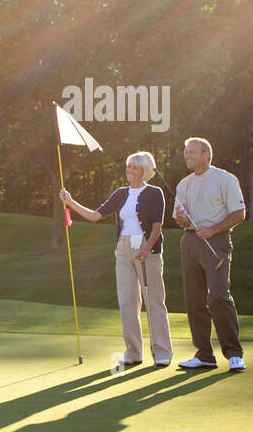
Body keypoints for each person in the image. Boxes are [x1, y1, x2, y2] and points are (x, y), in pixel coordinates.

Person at [60, 151, 174, 367]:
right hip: (123, 249)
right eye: (128, 167)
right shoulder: (121, 193)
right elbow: (95, 216)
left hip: (147, 249)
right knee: (127, 301)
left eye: (135, 168)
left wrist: (147, 249)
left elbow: (157, 226)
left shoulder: (154, 193)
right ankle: (133, 352)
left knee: (154, 301)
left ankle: (162, 352)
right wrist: (71, 202)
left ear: (146, 171)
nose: (129, 171)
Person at [172, 137, 247, 372]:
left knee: (218, 296)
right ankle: (204, 354)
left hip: (216, 242)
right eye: (186, 152)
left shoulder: (224, 179)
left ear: (207, 155)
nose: (187, 155)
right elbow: (180, 217)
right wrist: (181, 218)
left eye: (192, 152)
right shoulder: (183, 184)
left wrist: (213, 229)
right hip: (190, 242)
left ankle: (234, 354)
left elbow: (239, 213)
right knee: (194, 299)